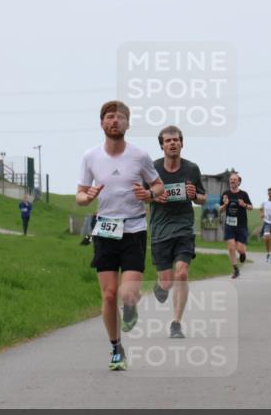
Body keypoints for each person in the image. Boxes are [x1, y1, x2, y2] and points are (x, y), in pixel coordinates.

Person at [76, 100, 163, 371]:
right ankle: (116, 348)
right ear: (101, 123)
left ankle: (131, 307)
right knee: (109, 295)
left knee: (127, 294)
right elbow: (80, 194)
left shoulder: (140, 156)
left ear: (128, 123)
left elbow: (159, 186)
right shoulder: (90, 156)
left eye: (120, 117)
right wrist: (86, 197)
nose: (115, 121)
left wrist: (149, 194)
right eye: (109, 117)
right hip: (105, 231)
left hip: (134, 229)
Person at [148, 126, 205, 339]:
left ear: (182, 143)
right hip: (160, 230)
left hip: (184, 227)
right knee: (167, 280)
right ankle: (161, 286)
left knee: (181, 273)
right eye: (168, 140)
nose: (172, 143)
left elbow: (203, 197)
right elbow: (141, 194)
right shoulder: (152, 169)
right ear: (162, 145)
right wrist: (154, 196)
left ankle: (176, 322)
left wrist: (194, 195)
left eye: (176, 140)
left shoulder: (191, 169)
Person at [219, 173, 253, 279]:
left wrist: (244, 205)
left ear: (238, 182)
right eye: (231, 179)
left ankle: (243, 253)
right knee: (231, 248)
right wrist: (225, 204)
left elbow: (251, 207)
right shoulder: (225, 194)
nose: (232, 181)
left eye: (234, 179)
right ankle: (236, 269)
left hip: (241, 225)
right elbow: (220, 210)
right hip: (229, 224)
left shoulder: (243, 194)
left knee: (239, 248)